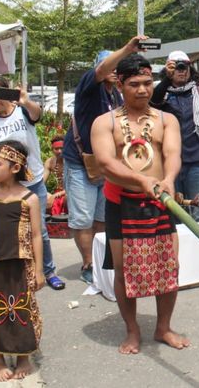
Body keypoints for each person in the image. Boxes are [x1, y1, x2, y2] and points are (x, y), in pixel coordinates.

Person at [91, 54, 189, 354]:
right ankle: (132, 330)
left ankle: (163, 327)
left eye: (148, 83)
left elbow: (172, 154)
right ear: (120, 84)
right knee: (123, 270)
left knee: (169, 266)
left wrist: (169, 179)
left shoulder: (166, 119)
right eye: (134, 84)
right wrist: (141, 181)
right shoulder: (104, 122)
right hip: (121, 202)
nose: (143, 90)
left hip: (160, 201)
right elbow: (106, 163)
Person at [64, 37, 146, 285]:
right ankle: (88, 263)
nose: (111, 70)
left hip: (107, 166)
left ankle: (101, 263)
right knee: (82, 218)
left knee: (102, 216)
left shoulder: (118, 97)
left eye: (116, 68)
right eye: (109, 65)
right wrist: (127, 49)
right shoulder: (90, 85)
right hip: (81, 162)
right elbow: (101, 70)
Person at [0, 76, 65, 291]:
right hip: (0, 187)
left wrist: (24, 100)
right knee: (1, 230)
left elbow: (37, 114)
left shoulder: (22, 111)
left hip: (31, 183)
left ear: (7, 91)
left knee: (39, 230)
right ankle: (8, 272)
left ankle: (47, 270)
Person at [0, 140, 44, 381]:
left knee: (22, 310)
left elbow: (36, 235)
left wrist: (39, 270)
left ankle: (23, 355)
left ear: (15, 168)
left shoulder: (29, 199)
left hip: (21, 264)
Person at [151, 50, 199, 222]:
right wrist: (166, 79)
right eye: (176, 66)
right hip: (170, 165)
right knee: (174, 214)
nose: (181, 70)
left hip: (198, 163)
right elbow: (153, 102)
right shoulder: (163, 91)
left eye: (184, 66)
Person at [43, 135, 67, 216]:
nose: (59, 151)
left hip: (70, 192)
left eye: (62, 148)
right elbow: (41, 183)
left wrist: (55, 196)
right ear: (52, 150)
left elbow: (74, 186)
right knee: (40, 197)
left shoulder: (71, 161)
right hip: (57, 193)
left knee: (67, 198)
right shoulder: (49, 162)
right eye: (56, 149)